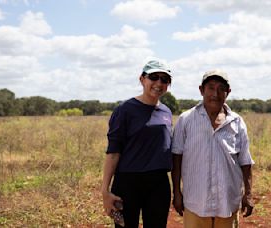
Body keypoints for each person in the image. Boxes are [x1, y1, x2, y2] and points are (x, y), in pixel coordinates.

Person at [171, 69, 255, 228]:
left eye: (221, 88)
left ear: (228, 92)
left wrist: (248, 194)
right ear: (201, 90)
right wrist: (176, 193)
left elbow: (245, 161)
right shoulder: (186, 120)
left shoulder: (237, 122)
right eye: (210, 87)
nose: (215, 94)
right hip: (196, 202)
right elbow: (177, 159)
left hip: (227, 203)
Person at [102, 60, 173, 228]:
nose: (159, 83)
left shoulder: (166, 112)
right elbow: (113, 152)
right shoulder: (125, 109)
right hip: (128, 182)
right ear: (142, 79)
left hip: (158, 183)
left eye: (165, 80)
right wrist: (105, 191)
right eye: (154, 77)